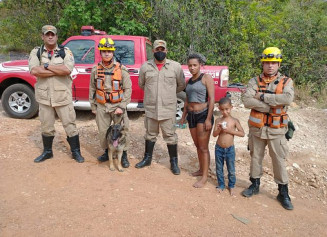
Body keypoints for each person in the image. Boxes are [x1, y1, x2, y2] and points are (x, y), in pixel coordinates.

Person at [241, 47, 294, 210]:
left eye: (273, 62)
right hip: (257, 129)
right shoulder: (254, 81)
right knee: (256, 157)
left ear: (278, 64)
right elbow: (247, 100)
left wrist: (263, 97)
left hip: (276, 130)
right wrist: (272, 106)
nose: (270, 66)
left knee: (278, 160)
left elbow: (287, 98)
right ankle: (254, 185)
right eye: (267, 63)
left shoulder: (286, 81)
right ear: (263, 64)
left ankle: (283, 192)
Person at [29, 25, 84, 163]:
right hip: (44, 97)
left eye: (52, 34)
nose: (50, 36)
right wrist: (56, 70)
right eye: (47, 34)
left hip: (62, 97)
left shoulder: (66, 51)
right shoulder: (36, 52)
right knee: (46, 126)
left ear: (57, 37)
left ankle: (76, 152)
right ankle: (47, 152)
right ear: (42, 36)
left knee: (70, 125)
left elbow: (67, 70)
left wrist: (46, 67)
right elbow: (35, 71)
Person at [136, 40, 186, 175]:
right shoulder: (145, 67)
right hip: (151, 108)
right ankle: (147, 158)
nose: (160, 52)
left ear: (166, 51)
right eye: (157, 50)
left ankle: (174, 162)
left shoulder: (175, 67)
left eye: (162, 49)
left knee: (170, 135)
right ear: (153, 51)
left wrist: (167, 94)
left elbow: (181, 85)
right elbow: (142, 84)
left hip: (168, 109)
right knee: (150, 134)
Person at [89, 37, 132, 168]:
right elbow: (92, 88)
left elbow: (128, 89)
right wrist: (93, 105)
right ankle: (107, 151)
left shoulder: (122, 69)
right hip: (102, 106)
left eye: (109, 51)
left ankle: (123, 154)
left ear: (113, 52)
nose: (107, 53)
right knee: (103, 132)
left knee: (123, 131)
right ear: (100, 53)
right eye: (104, 51)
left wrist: (122, 106)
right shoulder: (95, 69)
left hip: (117, 106)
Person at [180, 53, 215, 188]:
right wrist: (183, 116)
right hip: (192, 115)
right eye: (190, 65)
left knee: (203, 147)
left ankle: (205, 176)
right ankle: (201, 169)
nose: (192, 68)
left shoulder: (206, 78)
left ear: (200, 65)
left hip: (203, 114)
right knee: (197, 145)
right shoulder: (189, 81)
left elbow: (212, 99)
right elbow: (187, 99)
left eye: (195, 65)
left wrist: (208, 119)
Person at [212, 97, 245, 195]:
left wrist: (230, 131)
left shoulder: (234, 120)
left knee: (231, 169)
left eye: (227, 109)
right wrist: (218, 129)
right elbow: (214, 134)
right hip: (219, 148)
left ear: (231, 108)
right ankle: (221, 185)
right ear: (219, 108)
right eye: (222, 109)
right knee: (219, 168)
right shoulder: (218, 120)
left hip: (230, 149)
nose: (225, 111)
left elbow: (242, 133)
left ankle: (231, 186)